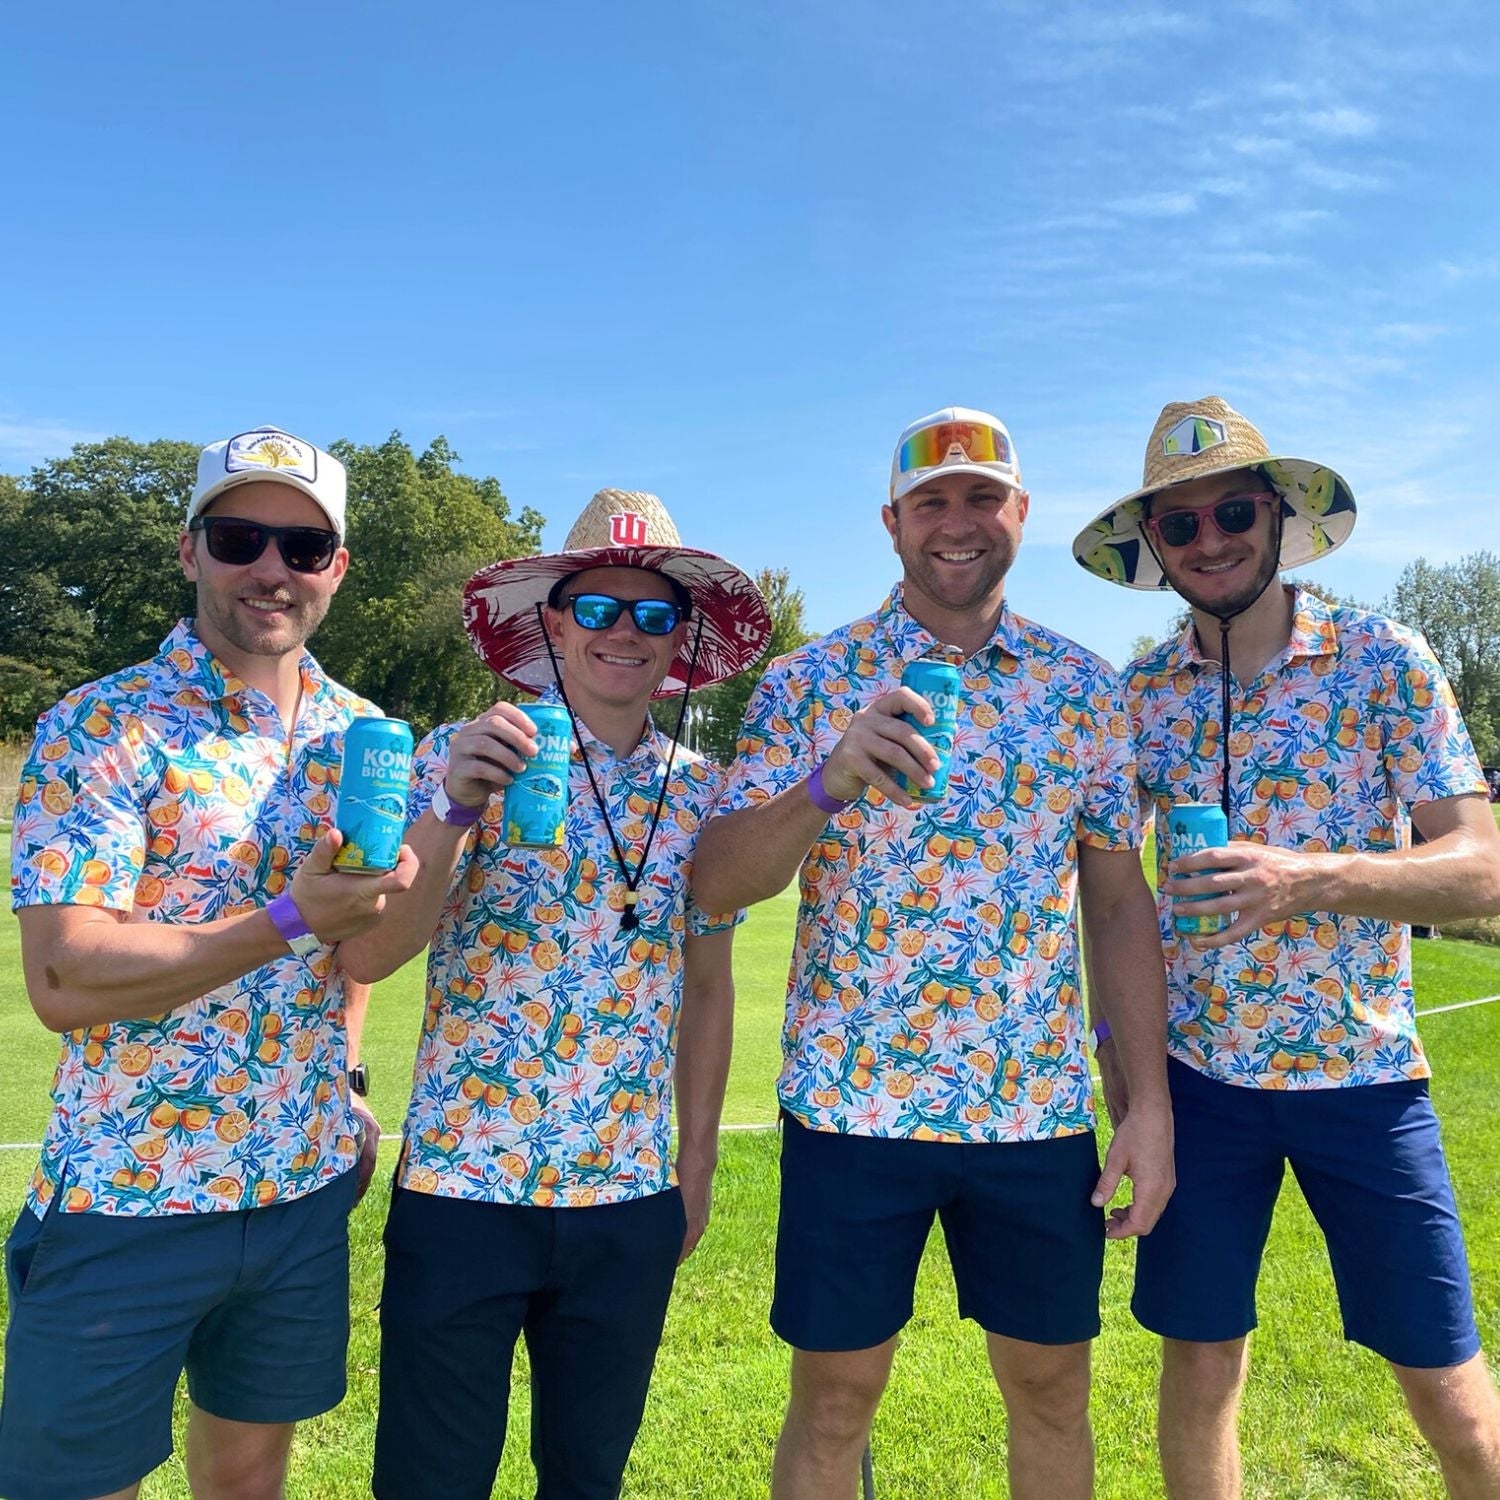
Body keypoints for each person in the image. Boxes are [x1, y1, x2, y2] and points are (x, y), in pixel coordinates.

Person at [693, 407, 1175, 1500]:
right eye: (930, 502)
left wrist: (1143, 1100)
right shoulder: (810, 682)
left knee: (1053, 1392)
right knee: (834, 1401)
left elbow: (1113, 903)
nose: (956, 523)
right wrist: (828, 782)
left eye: (981, 497)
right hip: (853, 1110)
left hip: (1035, 1114)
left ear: (1020, 514)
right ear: (891, 522)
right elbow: (718, 885)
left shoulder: (1083, 688)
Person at [1072, 395, 1500, 1498]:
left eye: (1232, 512)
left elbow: (1481, 866)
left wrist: (1310, 878)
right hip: (1200, 1085)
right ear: (1154, 549)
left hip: (1367, 1078)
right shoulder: (1142, 700)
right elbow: (1113, 910)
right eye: (1180, 525)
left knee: (1448, 1388)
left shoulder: (1384, 661)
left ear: (1277, 516)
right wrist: (1135, 1095)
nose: (1210, 540)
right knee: (1201, 1363)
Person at [0, 425, 415, 1500]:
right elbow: (65, 978)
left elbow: (356, 945)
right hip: (127, 1197)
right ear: (191, 552)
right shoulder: (101, 725)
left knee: (247, 1480)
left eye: (303, 546)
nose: (272, 568)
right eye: (240, 538)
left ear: (338, 569)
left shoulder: (362, 732)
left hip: (298, 1190)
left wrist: (352, 1075)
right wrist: (283, 918)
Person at [340, 489, 770, 1500]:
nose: (626, 632)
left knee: (586, 1477)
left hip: (624, 1195)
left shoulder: (705, 792)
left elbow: (707, 989)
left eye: (654, 615)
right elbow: (373, 957)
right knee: (430, 1478)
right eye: (599, 608)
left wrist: (694, 1166)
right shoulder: (460, 753)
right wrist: (451, 811)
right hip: (462, 1187)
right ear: (552, 622)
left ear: (679, 644)